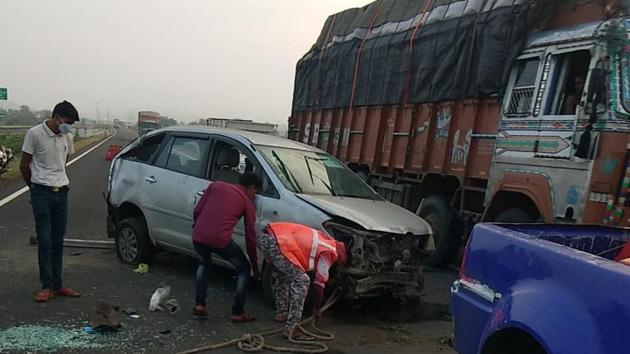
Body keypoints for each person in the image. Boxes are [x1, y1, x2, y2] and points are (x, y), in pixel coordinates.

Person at [20, 100, 80, 303]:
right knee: (44, 240)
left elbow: (63, 163)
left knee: (58, 240)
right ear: (57, 118)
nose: (69, 126)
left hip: (61, 192)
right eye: (68, 122)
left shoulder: (67, 136)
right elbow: (23, 165)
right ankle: (46, 286)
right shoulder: (34, 134)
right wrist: (34, 188)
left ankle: (58, 283)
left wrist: (58, 181)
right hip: (41, 193)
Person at [257, 222, 348, 340]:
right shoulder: (330, 253)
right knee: (302, 280)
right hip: (277, 242)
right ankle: (292, 328)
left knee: (284, 274)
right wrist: (316, 309)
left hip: (267, 236)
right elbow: (319, 285)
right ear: (343, 258)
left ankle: (282, 312)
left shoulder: (326, 240)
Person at [192, 173, 262, 322]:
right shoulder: (246, 202)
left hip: (198, 235)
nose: (254, 196)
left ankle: (200, 305)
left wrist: (197, 225)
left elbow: (198, 209)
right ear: (250, 187)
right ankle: (237, 312)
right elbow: (250, 236)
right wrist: (255, 267)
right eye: (255, 192)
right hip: (220, 239)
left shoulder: (215, 185)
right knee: (244, 269)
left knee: (204, 263)